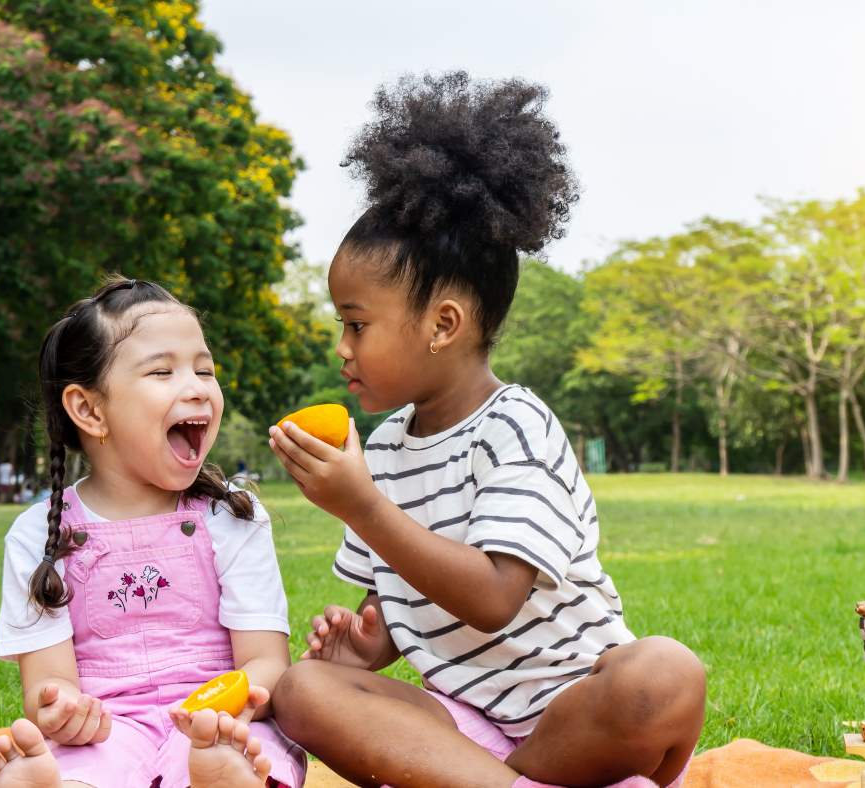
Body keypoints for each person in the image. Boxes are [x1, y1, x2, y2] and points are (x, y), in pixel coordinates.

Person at [268, 72, 705, 788]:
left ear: (443, 324)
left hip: (576, 712)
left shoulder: (517, 428)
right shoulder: (381, 449)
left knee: (664, 673)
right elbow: (402, 603)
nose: (341, 348)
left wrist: (363, 507)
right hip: (465, 730)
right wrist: (363, 643)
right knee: (301, 691)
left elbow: (495, 597)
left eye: (356, 324)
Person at [0, 276, 305, 788]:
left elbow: (265, 661)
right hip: (107, 734)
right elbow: (48, 683)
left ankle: (215, 776)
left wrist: (221, 714)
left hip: (218, 722)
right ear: (89, 410)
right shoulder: (39, 534)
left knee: (237, 756)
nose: (196, 387)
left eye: (204, 369)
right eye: (162, 372)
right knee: (84, 769)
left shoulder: (232, 516)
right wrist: (64, 711)